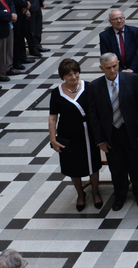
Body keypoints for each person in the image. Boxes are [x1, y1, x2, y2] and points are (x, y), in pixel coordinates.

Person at [87, 52, 138, 211]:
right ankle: (120, 195)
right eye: (108, 68)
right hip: (111, 133)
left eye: (115, 66)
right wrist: (100, 140)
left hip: (131, 130)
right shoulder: (94, 87)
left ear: (118, 64)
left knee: (136, 164)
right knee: (116, 166)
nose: (112, 70)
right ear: (101, 68)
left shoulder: (132, 79)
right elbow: (93, 116)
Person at [48, 58, 102, 211]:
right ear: (63, 77)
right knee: (72, 165)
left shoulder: (89, 87)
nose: (73, 77)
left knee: (92, 163)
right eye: (69, 74)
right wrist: (53, 139)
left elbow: (98, 111)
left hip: (88, 132)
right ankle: (80, 194)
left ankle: (95, 192)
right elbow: (53, 117)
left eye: (76, 73)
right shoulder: (56, 93)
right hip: (68, 134)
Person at [99, 9, 138, 85]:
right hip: (116, 74)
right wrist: (120, 70)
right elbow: (105, 56)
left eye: (121, 18)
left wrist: (131, 69)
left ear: (124, 18)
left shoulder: (134, 31)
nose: (119, 21)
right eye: (115, 19)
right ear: (110, 21)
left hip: (136, 71)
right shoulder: (104, 36)